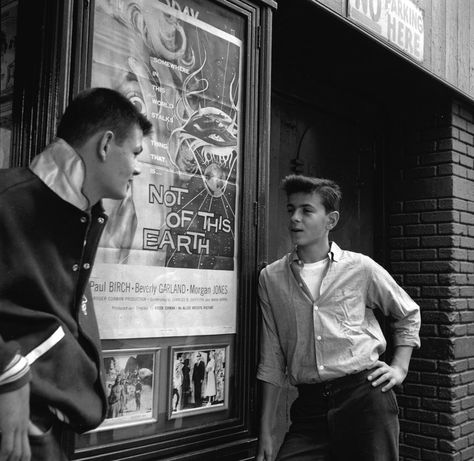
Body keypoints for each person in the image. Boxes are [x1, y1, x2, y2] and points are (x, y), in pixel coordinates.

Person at [0, 87, 152, 461]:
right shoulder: (8, 197)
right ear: (105, 145)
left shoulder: (81, 214)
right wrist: (7, 369)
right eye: (135, 153)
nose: (137, 168)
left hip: (43, 427)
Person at [256, 175, 421, 461]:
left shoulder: (360, 268)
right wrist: (266, 431)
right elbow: (272, 358)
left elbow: (407, 313)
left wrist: (399, 368)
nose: (295, 218)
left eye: (306, 210)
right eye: (290, 209)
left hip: (365, 398)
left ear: (330, 220)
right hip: (309, 408)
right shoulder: (271, 278)